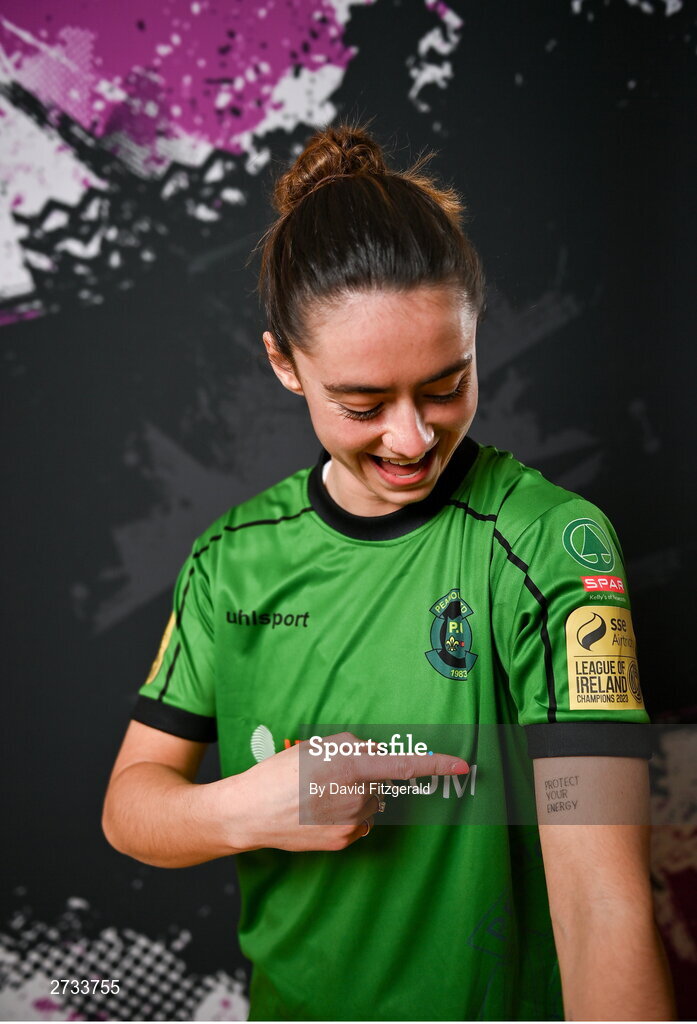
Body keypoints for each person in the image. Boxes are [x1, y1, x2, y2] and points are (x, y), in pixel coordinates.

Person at [102, 125, 674, 1021]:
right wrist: (253, 809)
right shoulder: (229, 560)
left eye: (446, 384)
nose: (411, 440)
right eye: (362, 404)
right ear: (284, 365)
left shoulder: (555, 548)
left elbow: (601, 908)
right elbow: (130, 808)